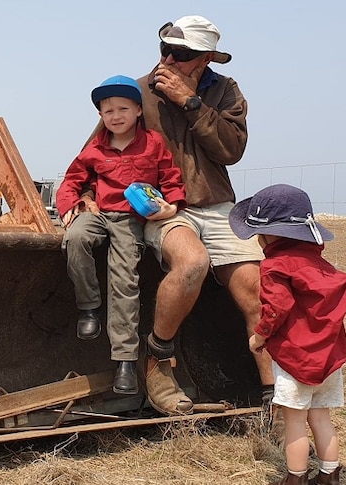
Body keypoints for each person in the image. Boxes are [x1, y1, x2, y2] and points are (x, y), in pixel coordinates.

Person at [79, 14, 274, 416]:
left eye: (181, 53)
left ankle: (275, 395)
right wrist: (83, 194)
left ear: (205, 59)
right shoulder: (137, 92)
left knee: (257, 291)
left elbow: (230, 151)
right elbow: (97, 148)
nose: (168, 59)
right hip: (166, 206)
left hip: (217, 204)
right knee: (191, 264)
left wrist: (191, 103)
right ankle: (158, 359)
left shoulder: (225, 94)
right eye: (164, 49)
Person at [56, 75, 186, 394]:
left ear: (138, 110)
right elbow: (71, 181)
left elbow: (171, 179)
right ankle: (89, 307)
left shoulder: (154, 144)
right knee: (75, 238)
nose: (115, 116)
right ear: (100, 115)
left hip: (131, 219)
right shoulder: (94, 149)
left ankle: (125, 360)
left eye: (122, 108)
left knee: (125, 279)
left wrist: (172, 207)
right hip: (99, 214)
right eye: (108, 111)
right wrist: (70, 206)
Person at [229, 184, 346, 485]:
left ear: (272, 234)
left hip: (296, 358)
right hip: (328, 357)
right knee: (321, 418)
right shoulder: (320, 265)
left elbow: (276, 307)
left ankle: (295, 477)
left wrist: (259, 337)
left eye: (259, 233)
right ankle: (329, 474)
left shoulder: (276, 266)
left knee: (295, 421)